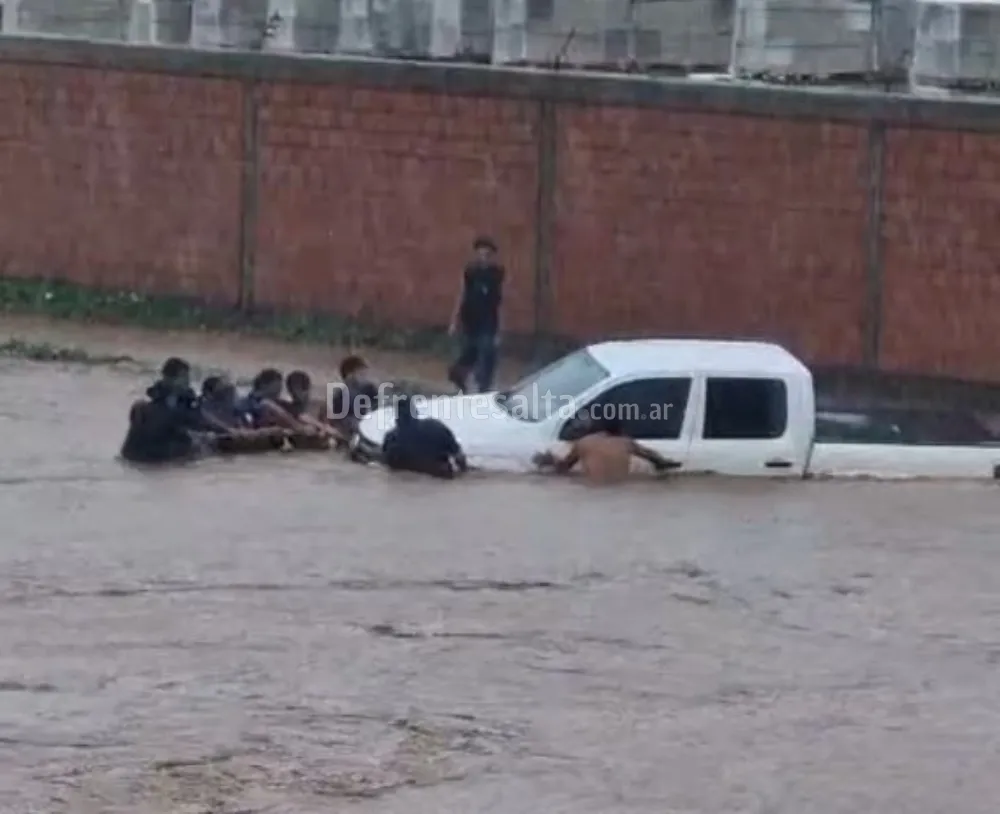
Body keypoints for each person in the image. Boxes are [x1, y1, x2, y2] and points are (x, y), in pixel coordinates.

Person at [532, 415, 676, 483]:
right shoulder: (627, 443)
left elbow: (563, 468)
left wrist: (549, 460)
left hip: (592, 491)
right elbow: (655, 458)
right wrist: (664, 464)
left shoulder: (585, 442)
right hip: (622, 491)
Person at [120, 357, 208, 463]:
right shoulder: (146, 408)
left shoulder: (190, 401)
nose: (187, 381)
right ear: (167, 378)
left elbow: (199, 422)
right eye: (183, 377)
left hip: (169, 453)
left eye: (187, 377)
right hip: (157, 454)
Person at [447, 235, 504, 394]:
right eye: (481, 254)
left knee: (487, 353)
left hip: (488, 321)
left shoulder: (496, 274)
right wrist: (454, 320)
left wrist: (500, 329)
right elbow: (462, 294)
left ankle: (484, 388)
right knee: (469, 353)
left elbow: (500, 301)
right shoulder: (470, 272)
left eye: (487, 254)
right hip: (470, 320)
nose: (483, 258)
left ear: (492, 256)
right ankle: (459, 377)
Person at [380, 396, 468, 479]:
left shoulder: (390, 438)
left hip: (404, 481)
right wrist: (464, 473)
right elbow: (458, 456)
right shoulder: (435, 427)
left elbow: (385, 463)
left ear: (397, 417)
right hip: (438, 477)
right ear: (416, 412)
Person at [201, 375, 290, 453]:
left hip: (241, 434)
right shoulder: (206, 409)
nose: (228, 394)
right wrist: (231, 430)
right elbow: (211, 421)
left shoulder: (234, 408)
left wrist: (246, 430)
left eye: (230, 391)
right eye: (224, 391)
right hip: (222, 437)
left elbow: (243, 423)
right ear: (209, 395)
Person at [324, 355, 379, 438]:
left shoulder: (370, 388)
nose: (364, 376)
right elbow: (338, 418)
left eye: (364, 373)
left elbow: (378, 408)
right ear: (350, 374)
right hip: (351, 426)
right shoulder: (341, 393)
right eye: (361, 373)